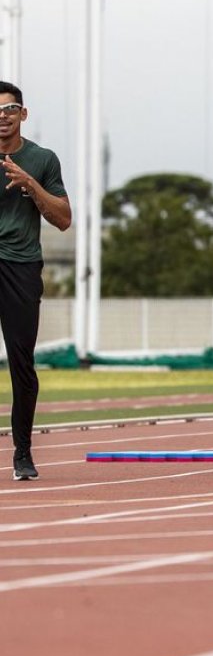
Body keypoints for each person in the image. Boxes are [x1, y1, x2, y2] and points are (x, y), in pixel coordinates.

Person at [0, 81, 72, 481]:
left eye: (9, 110)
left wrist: (30, 184)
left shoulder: (42, 159)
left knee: (22, 363)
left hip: (20, 265)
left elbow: (63, 219)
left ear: (22, 114)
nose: (1, 118)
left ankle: (23, 454)